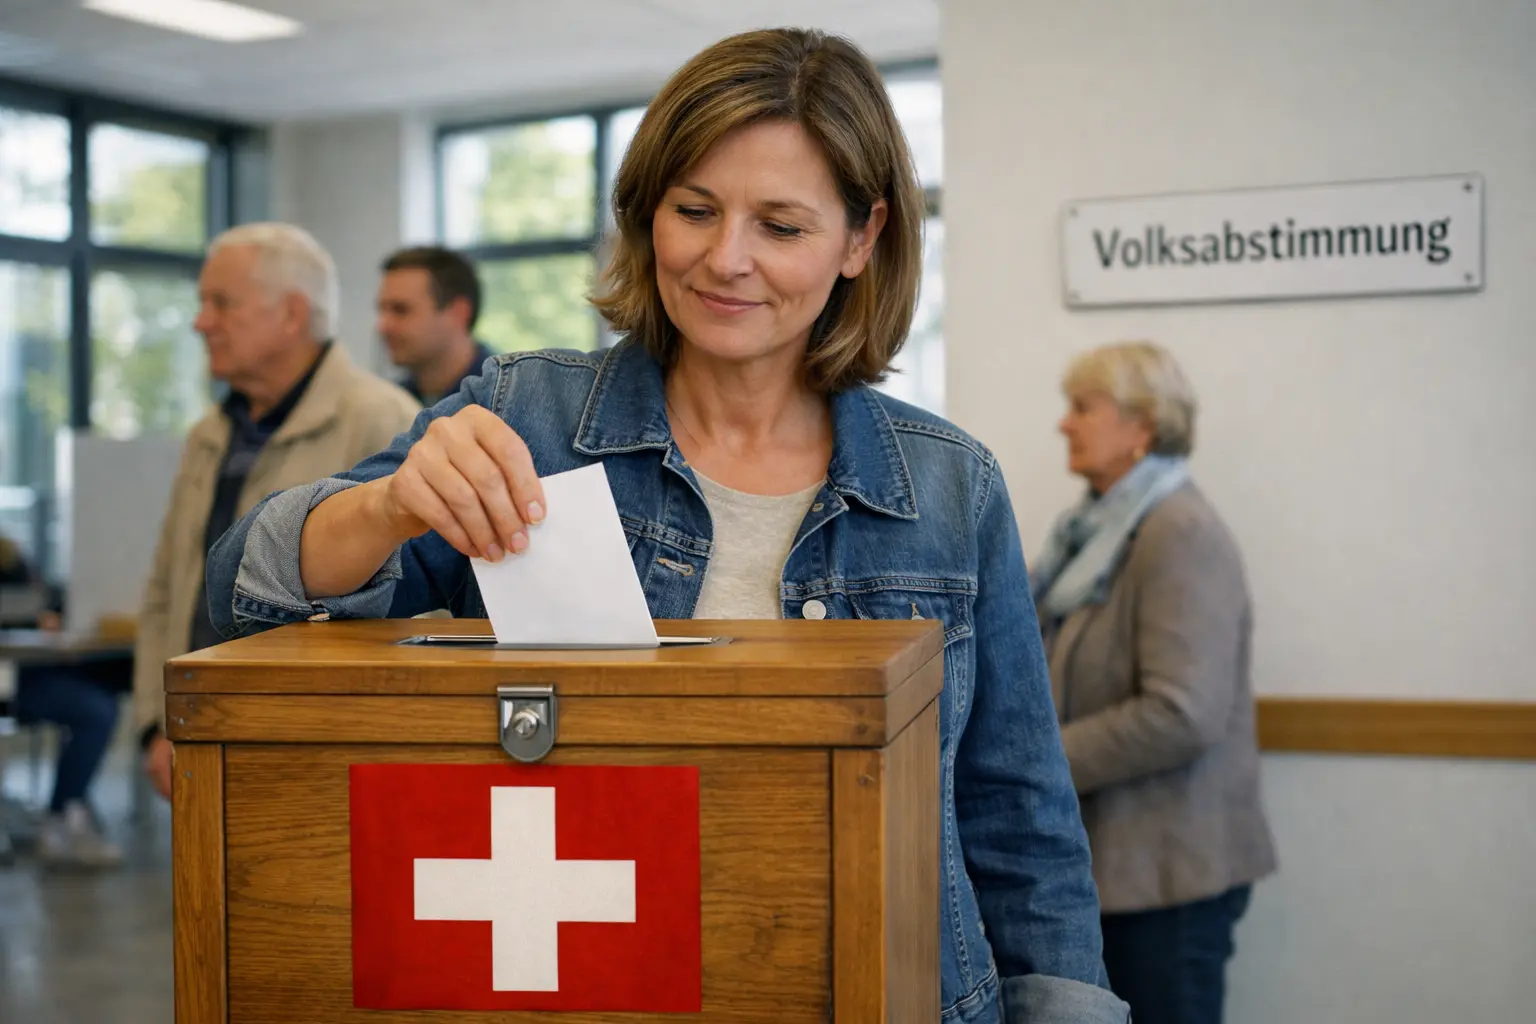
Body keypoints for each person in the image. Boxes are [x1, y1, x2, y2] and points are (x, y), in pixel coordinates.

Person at [205, 28, 1129, 1024]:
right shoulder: (531, 416)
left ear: (862, 239)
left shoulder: (953, 487)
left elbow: (1019, 815)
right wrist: (384, 506)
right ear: (648, 213)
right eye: (694, 210)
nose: (726, 259)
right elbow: (239, 603)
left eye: (780, 226)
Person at [1031, 341, 1277, 1024]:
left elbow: (1181, 714)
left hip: (1170, 877)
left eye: (1082, 408)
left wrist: (1038, 764)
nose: (1064, 424)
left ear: (1142, 427)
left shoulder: (1180, 533)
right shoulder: (1090, 534)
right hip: (1119, 869)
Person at [134, 223, 421, 801]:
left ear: (291, 315)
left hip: (322, 755)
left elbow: (417, 614)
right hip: (201, 730)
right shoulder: (208, 434)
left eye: (221, 302)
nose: (200, 321)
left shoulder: (382, 420)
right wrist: (157, 721)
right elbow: (169, 587)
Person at [1, 535, 124, 867]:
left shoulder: (13, 560)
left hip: (28, 674)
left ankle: (65, 811)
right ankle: (65, 812)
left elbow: (45, 604)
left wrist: (50, 616)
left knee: (99, 705)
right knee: (95, 708)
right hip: (12, 681)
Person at [376, 245, 494, 405]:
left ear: (458, 313)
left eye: (401, 310)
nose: (383, 326)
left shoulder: (507, 402)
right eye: (382, 310)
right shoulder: (392, 403)